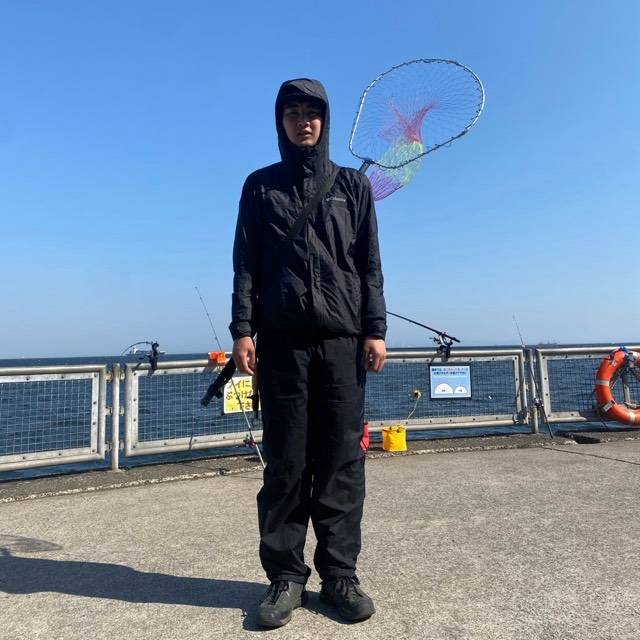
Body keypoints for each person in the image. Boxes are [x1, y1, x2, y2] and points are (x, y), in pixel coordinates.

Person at [229, 78, 387, 628]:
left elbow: (369, 263)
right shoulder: (259, 186)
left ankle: (340, 575)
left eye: (312, 113)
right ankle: (285, 577)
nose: (304, 122)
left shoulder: (353, 186)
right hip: (282, 344)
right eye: (293, 113)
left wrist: (375, 329)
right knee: (286, 463)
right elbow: (245, 264)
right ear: (280, 122)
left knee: (342, 462)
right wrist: (243, 330)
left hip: (343, 343)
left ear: (325, 120)